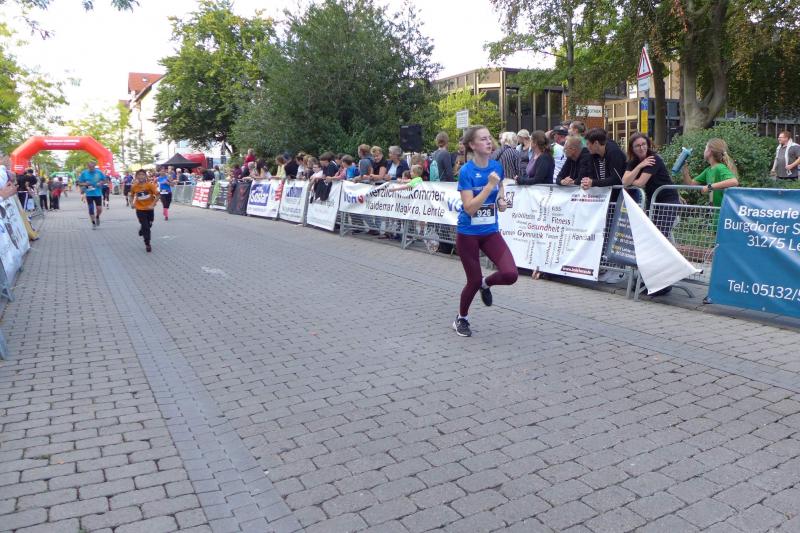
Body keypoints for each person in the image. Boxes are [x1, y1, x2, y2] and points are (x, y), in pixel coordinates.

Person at [453, 125, 518, 338]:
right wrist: (489, 186)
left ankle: (485, 284)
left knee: (510, 274)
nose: (489, 142)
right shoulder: (466, 171)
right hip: (468, 233)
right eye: (483, 139)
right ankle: (461, 318)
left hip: (490, 231)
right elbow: (470, 208)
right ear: (472, 145)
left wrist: (501, 201)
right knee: (472, 280)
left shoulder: (496, 166)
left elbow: (501, 189)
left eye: (489, 138)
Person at [682, 138, 740, 207]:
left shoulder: (720, 167)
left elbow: (734, 181)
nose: (704, 151)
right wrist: (685, 172)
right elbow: (691, 184)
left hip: (724, 210)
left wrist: (709, 187)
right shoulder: (708, 170)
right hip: (715, 211)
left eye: (705, 148)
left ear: (709, 151)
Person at [584, 128, 628, 201]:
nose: (587, 147)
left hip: (619, 197)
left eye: (588, 144)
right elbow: (591, 174)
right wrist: (586, 182)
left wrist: (593, 182)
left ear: (596, 143)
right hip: (604, 196)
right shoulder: (593, 155)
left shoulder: (614, 153)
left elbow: (616, 179)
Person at [128, 169, 160, 253]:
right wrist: (131, 203)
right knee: (146, 226)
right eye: (139, 175)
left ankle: (142, 229)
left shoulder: (150, 185)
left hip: (149, 209)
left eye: (142, 175)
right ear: (136, 177)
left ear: (145, 176)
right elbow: (131, 195)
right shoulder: (134, 186)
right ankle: (147, 243)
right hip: (140, 209)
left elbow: (158, 195)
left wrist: (153, 204)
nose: (141, 176)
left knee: (149, 224)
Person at [78, 161, 107, 228]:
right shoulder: (84, 173)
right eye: (89, 167)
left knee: (99, 209)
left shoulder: (99, 172)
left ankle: (97, 216)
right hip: (89, 194)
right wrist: (85, 184)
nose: (91, 168)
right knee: (91, 208)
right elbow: (79, 183)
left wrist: (101, 183)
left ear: (94, 166)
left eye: (92, 167)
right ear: (88, 166)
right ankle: (93, 223)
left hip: (97, 193)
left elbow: (105, 180)